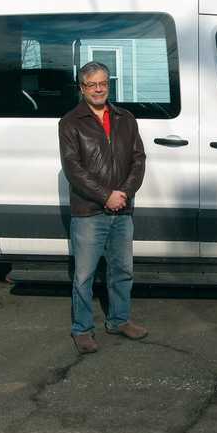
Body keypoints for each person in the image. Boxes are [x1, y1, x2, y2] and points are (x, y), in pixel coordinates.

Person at [58, 61, 147, 354]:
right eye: (92, 84)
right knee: (84, 275)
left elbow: (138, 159)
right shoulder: (70, 122)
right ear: (82, 88)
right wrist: (105, 195)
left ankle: (119, 320)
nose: (98, 89)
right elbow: (74, 169)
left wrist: (124, 192)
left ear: (109, 84)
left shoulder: (126, 118)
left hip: (122, 209)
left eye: (103, 83)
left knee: (122, 270)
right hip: (89, 211)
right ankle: (82, 329)